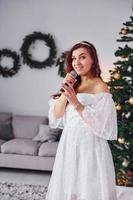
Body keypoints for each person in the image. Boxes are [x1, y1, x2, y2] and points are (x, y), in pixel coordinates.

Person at [45, 41, 118, 200]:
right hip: (69, 142)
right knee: (70, 188)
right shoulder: (73, 84)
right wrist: (66, 91)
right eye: (73, 58)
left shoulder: (100, 87)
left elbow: (104, 124)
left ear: (93, 60)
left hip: (90, 144)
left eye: (82, 57)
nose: (77, 62)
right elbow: (56, 116)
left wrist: (76, 103)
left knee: (88, 189)